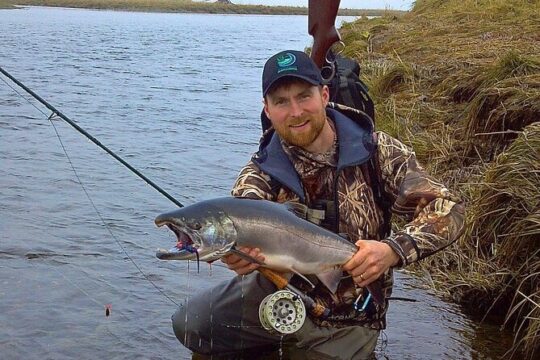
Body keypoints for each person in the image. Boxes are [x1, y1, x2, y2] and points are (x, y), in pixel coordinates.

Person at [171, 50, 465, 359]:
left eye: (303, 96)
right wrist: (238, 257)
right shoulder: (260, 171)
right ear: (267, 110)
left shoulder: (377, 151)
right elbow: (242, 213)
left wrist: (392, 251)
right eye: (281, 102)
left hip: (351, 312)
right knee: (194, 324)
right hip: (278, 293)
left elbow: (449, 209)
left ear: (324, 94)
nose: (295, 112)